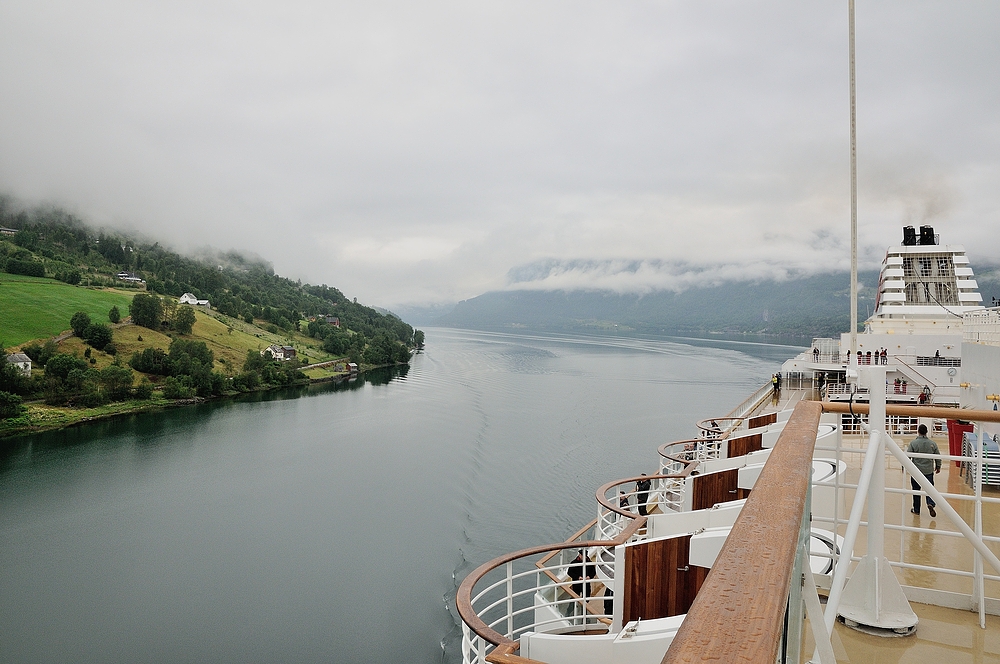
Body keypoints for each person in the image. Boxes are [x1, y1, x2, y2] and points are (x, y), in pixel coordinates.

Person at [907, 424, 941, 517]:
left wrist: (904, 467)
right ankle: (930, 503)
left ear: (918, 431)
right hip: (928, 471)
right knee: (929, 489)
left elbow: (907, 456)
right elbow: (938, 456)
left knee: (916, 491)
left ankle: (916, 509)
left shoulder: (913, 443)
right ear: (926, 432)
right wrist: (938, 466)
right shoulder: (932, 444)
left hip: (916, 471)